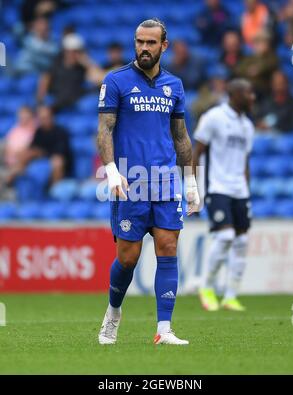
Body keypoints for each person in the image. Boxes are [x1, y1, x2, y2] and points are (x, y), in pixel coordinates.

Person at [97, 19, 201, 345]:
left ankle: (164, 329)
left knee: (168, 248)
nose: (144, 47)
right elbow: (105, 129)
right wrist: (111, 169)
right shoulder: (116, 80)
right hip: (132, 181)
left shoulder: (175, 85)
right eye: (140, 41)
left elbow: (181, 136)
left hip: (167, 180)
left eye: (151, 43)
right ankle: (113, 313)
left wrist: (192, 181)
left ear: (163, 46)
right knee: (128, 257)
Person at [193, 79, 255, 311]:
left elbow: (245, 162)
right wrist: (195, 186)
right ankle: (207, 286)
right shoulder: (214, 118)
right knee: (226, 236)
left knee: (242, 241)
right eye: (249, 93)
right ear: (235, 94)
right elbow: (196, 151)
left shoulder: (247, 126)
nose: (253, 98)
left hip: (239, 190)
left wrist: (246, 191)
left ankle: (230, 295)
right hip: (217, 187)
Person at [37, 33, 104, 111]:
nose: (75, 55)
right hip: (58, 103)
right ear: (65, 51)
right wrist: (40, 101)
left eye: (78, 52)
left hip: (77, 104)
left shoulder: (82, 67)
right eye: (73, 52)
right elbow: (45, 80)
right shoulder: (56, 64)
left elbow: (101, 80)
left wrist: (87, 62)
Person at [6, 106, 71, 185]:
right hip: (40, 158)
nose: (44, 120)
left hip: (57, 160)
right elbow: (33, 147)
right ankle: (13, 178)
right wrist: (32, 153)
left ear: (52, 117)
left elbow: (60, 152)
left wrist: (40, 152)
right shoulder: (39, 132)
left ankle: (54, 188)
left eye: (46, 117)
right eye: (42, 118)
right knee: (25, 154)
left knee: (57, 162)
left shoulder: (61, 132)